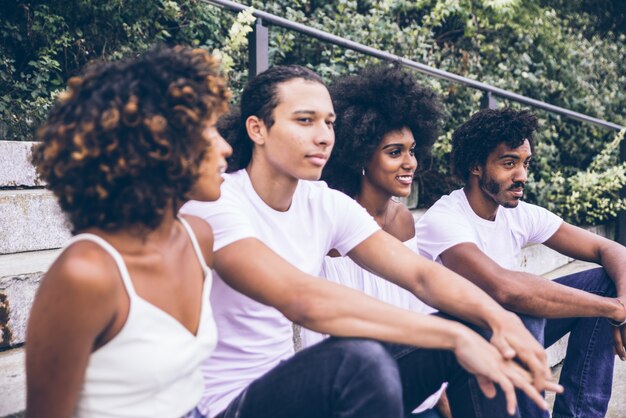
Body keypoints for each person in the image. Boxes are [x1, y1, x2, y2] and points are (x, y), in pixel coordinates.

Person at [181, 65, 562, 418]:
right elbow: (302, 300)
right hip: (228, 404)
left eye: (329, 122)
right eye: (305, 120)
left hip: (299, 386)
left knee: (484, 325)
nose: (322, 136)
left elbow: (421, 276)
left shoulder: (324, 203)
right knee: (362, 360)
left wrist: (497, 318)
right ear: (257, 129)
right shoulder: (218, 200)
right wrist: (452, 336)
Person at [25, 46, 232, 417]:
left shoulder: (198, 237)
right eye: (208, 130)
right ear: (157, 144)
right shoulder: (86, 273)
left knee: (350, 361)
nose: (226, 147)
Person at [415, 108, 626, 417]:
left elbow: (611, 250)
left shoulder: (519, 214)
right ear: (476, 165)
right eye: (509, 163)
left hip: (502, 334)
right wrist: (613, 310)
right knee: (522, 309)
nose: (522, 176)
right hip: (452, 351)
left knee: (602, 282)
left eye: (525, 163)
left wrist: (622, 302)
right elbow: (505, 289)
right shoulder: (444, 219)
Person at [300, 65, 449, 418]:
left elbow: (416, 304)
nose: (410, 162)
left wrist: (440, 398)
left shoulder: (403, 219)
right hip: (351, 382)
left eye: (412, 150)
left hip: (410, 381)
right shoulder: (333, 220)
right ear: (361, 155)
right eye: (395, 152)